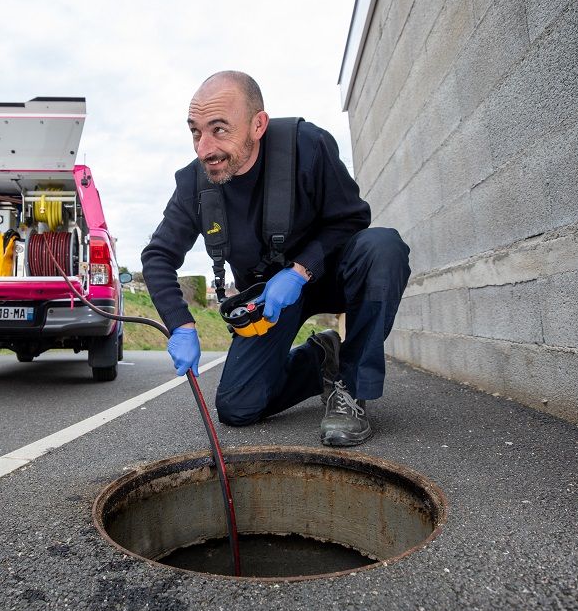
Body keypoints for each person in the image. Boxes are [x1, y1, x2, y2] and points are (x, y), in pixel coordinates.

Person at [140, 71, 410, 446]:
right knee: (237, 407)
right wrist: (181, 324)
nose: (204, 149)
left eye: (219, 129)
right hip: (270, 302)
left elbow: (352, 218)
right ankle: (322, 358)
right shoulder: (194, 185)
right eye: (196, 131)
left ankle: (351, 388)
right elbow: (157, 257)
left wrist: (300, 272)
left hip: (331, 276)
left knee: (384, 247)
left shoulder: (308, 147)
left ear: (258, 124)